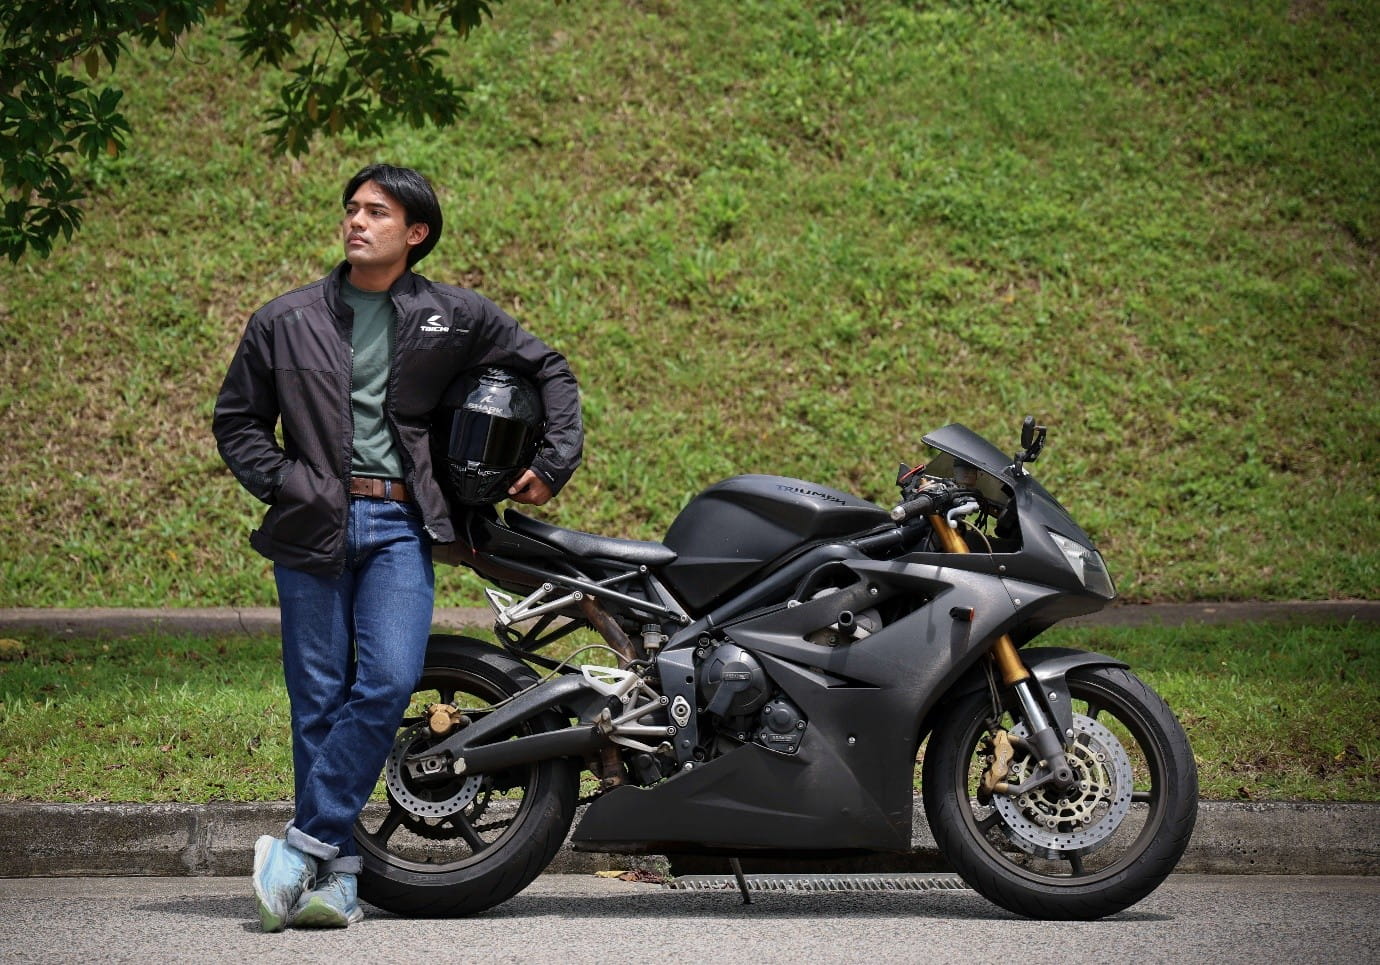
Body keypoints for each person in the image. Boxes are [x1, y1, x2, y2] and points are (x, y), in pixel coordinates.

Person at [212, 163, 582, 931]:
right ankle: (338, 877)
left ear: (414, 233)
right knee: (318, 697)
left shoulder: (453, 314)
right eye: (352, 208)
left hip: (399, 523)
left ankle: (305, 842)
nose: (356, 220)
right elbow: (237, 421)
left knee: (385, 679)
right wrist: (289, 483)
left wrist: (549, 464)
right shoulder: (285, 319)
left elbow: (546, 367)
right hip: (310, 525)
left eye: (377, 211)